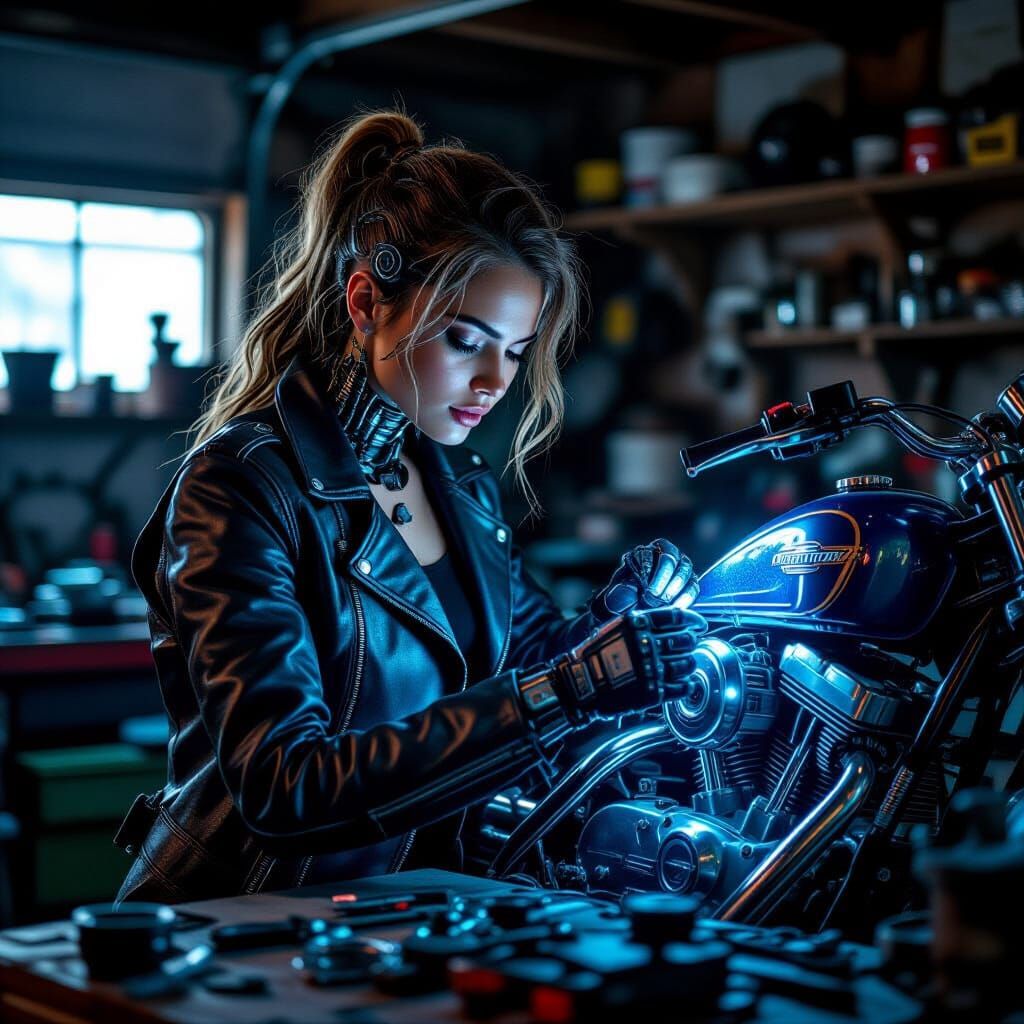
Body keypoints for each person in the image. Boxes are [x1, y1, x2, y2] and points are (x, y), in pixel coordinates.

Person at [114, 110, 704, 904]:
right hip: (236, 928)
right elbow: (286, 788)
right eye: (467, 341)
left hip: (402, 918)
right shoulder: (241, 486)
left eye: (516, 351)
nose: (496, 382)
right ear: (365, 302)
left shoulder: (460, 485)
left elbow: (523, 665)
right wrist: (573, 684)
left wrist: (613, 620)